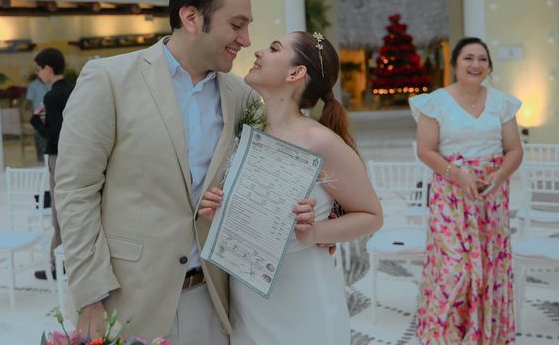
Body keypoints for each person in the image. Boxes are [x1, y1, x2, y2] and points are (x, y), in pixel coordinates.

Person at [54, 0, 315, 343]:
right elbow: (76, 191)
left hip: (213, 300)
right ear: (192, 17)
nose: (245, 40)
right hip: (127, 302)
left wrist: (326, 213)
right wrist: (91, 295)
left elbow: (283, 158)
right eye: (236, 24)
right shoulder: (108, 80)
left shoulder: (240, 97)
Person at [199, 31, 383, 344]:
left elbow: (372, 215)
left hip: (302, 303)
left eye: (273, 49)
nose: (257, 51)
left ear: (295, 73)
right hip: (247, 303)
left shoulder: (320, 141)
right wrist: (217, 210)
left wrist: (315, 232)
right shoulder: (247, 132)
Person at [410, 37, 523, 344]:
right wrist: (458, 174)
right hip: (451, 195)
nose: (476, 65)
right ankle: (446, 336)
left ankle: (484, 336)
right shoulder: (434, 102)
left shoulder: (502, 103)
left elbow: (514, 150)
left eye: (482, 59)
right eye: (468, 58)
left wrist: (498, 177)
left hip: (491, 197)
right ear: (455, 64)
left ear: (489, 66)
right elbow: (425, 150)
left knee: (488, 266)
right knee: (454, 267)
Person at [29, 48, 74, 280]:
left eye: (39, 69)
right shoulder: (74, 89)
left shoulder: (52, 97)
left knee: (59, 211)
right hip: (78, 157)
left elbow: (55, 135)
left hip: (60, 158)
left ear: (48, 68)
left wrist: (36, 122)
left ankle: (58, 265)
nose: (38, 74)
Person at [25, 76, 50, 162]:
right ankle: (41, 159)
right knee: (40, 137)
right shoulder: (33, 85)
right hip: (39, 115)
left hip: (50, 115)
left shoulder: (51, 83)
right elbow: (29, 102)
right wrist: (34, 115)